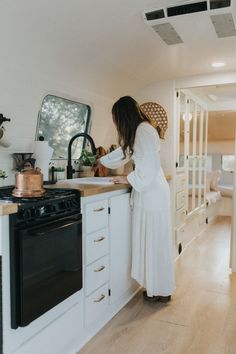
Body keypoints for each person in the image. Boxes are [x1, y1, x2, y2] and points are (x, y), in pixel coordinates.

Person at [100, 96, 175, 302]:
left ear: (123, 117)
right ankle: (157, 288)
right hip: (152, 192)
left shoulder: (143, 131)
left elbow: (148, 167)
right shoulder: (141, 131)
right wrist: (101, 160)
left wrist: (126, 177)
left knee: (155, 242)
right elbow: (125, 153)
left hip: (152, 194)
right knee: (155, 241)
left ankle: (161, 289)